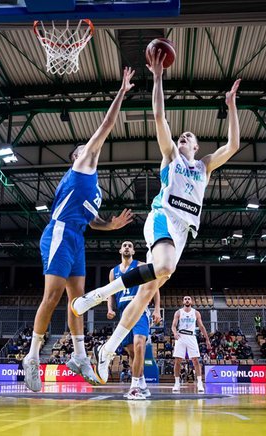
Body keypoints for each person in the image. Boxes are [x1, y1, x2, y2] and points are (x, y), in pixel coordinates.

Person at [71, 48, 242, 384]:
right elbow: (159, 117)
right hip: (161, 218)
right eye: (182, 137)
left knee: (147, 293)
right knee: (164, 268)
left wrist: (232, 105)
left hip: (181, 233)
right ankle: (99, 294)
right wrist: (159, 77)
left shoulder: (204, 166)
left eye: (189, 137)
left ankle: (106, 351)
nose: (184, 137)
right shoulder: (170, 159)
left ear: (196, 146)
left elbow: (233, 145)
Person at [22, 67, 136, 393]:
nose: (88, 149)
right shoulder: (82, 164)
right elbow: (106, 126)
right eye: (83, 148)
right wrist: (122, 92)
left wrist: (110, 224)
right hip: (58, 232)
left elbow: (92, 220)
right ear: (77, 156)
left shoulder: (95, 189)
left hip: (77, 237)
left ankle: (79, 355)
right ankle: (32, 357)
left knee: (79, 301)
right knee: (53, 295)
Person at [106, 240, 161, 400]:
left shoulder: (140, 265)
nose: (127, 247)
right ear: (120, 250)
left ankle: (134, 386)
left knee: (139, 345)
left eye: (130, 246)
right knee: (131, 352)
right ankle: (142, 384)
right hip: (124, 315)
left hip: (139, 310)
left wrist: (157, 309)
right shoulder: (113, 272)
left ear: (134, 251)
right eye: (124, 245)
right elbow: (110, 292)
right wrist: (110, 308)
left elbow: (154, 287)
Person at [171, 296, 211, 393]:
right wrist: (175, 333)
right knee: (178, 360)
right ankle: (176, 383)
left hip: (191, 336)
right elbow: (173, 326)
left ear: (191, 301)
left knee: (196, 360)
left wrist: (207, 339)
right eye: (185, 299)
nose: (187, 300)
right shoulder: (178, 312)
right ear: (183, 301)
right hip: (181, 336)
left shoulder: (196, 313)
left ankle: (199, 383)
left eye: (189, 299)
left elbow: (201, 326)